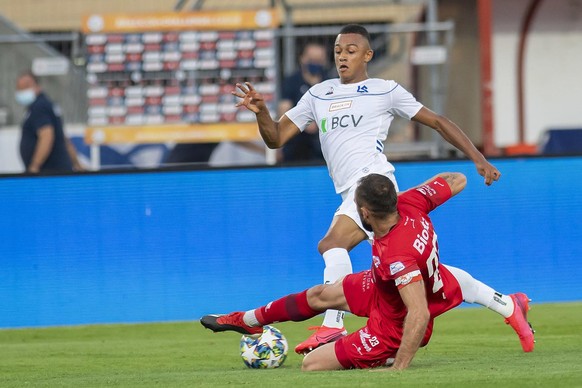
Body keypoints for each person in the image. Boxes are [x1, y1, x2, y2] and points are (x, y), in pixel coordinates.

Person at [231, 24, 502, 354]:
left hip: (373, 182)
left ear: (368, 55)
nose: (342, 57)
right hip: (349, 191)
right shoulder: (319, 94)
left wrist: (477, 157)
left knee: (332, 244)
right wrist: (262, 113)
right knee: (409, 269)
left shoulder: (385, 90)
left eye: (351, 50)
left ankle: (332, 326)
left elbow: (438, 122)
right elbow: (275, 138)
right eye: (338, 51)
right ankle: (504, 304)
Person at [201, 172, 535, 371]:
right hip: (381, 287)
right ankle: (246, 320)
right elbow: (456, 179)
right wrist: (402, 196)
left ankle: (380, 356)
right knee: (320, 295)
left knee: (310, 365)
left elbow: (417, 313)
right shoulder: (411, 202)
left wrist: (401, 367)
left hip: (392, 326)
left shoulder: (398, 256)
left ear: (364, 211)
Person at [15, 72, 83, 173]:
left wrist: (35, 166)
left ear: (37, 86)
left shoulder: (39, 107)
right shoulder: (47, 105)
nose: (22, 91)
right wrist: (77, 164)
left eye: (25, 87)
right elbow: (63, 139)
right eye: (19, 88)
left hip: (48, 173)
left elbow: (46, 136)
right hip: (57, 171)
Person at [278, 42, 328, 162]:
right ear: (302, 59)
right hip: (295, 144)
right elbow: (284, 109)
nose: (315, 63)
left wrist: (318, 123)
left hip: (322, 146)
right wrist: (303, 122)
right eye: (312, 59)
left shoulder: (330, 82)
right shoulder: (292, 81)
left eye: (319, 60)